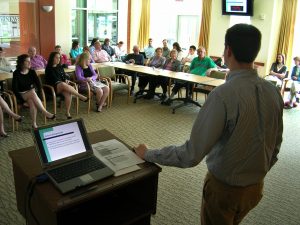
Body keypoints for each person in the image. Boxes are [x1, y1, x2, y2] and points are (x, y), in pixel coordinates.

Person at [133, 24, 283, 225]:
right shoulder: (273, 92)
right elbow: (276, 145)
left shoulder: (223, 95)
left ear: (227, 50)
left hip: (224, 191)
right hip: (256, 189)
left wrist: (148, 154)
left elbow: (191, 154)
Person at [12, 54, 55, 128]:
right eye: (27, 61)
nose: (30, 63)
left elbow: (39, 85)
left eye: (30, 61)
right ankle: (45, 112)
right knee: (32, 92)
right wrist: (22, 101)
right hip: (21, 95)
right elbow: (15, 89)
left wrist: (39, 96)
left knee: (32, 103)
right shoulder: (16, 73)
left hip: (32, 95)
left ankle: (34, 124)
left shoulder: (32, 72)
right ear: (22, 62)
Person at [45, 52, 88, 119]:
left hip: (62, 86)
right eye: (56, 57)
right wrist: (63, 81)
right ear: (52, 58)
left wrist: (66, 79)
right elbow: (54, 79)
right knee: (62, 84)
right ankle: (79, 96)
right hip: (52, 88)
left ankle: (67, 112)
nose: (58, 59)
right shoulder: (48, 68)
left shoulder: (60, 67)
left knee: (68, 93)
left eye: (59, 57)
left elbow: (64, 76)